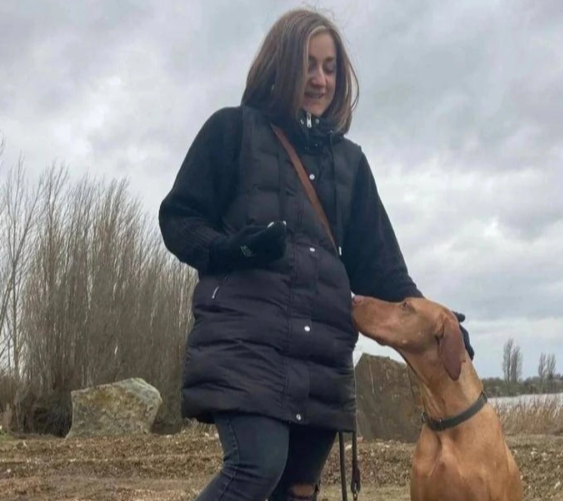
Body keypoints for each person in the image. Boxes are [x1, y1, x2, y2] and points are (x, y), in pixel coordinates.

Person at [158, 8, 474, 501]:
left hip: (321, 355)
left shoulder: (350, 163)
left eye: (330, 67)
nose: (320, 79)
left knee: (299, 491)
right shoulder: (231, 130)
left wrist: (439, 324)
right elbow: (178, 221)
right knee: (255, 468)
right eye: (308, 64)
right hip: (249, 344)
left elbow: (382, 268)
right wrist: (234, 248)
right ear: (279, 65)